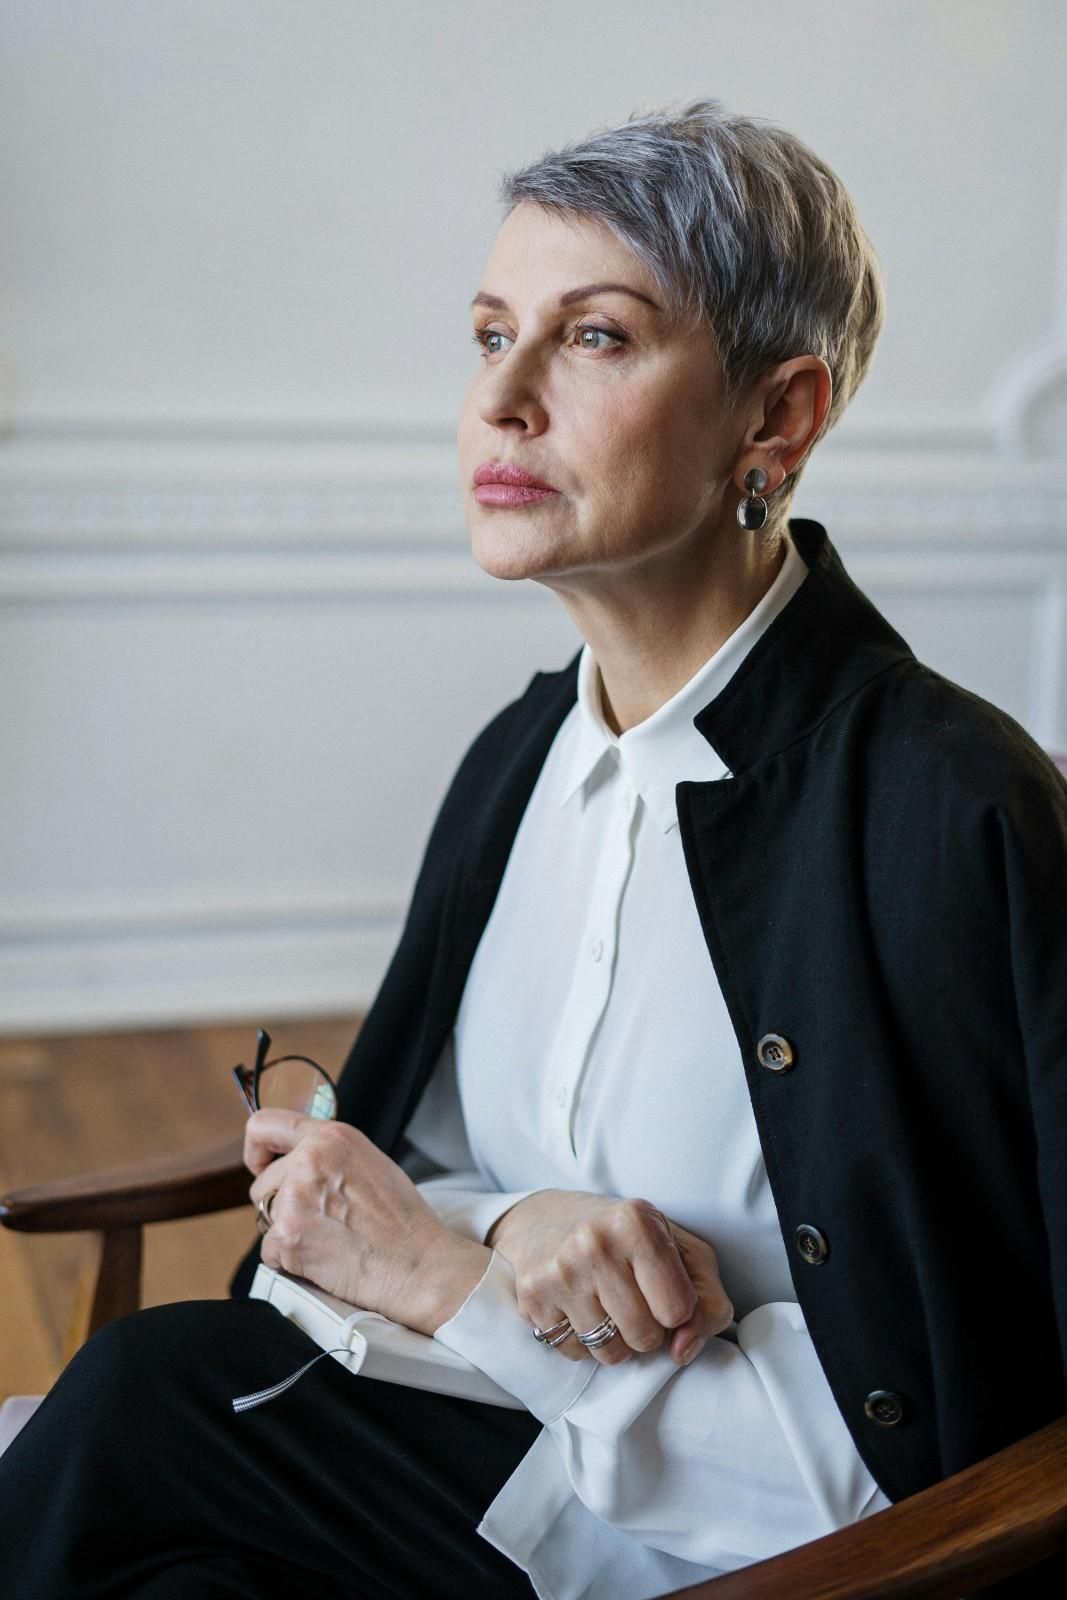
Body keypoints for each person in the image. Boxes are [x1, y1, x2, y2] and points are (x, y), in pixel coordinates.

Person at [1, 100, 1064, 1600]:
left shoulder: (948, 818)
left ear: (778, 419)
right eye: (492, 333)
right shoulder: (524, 756)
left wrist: (457, 1281)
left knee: (135, 1403)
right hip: (463, 1445)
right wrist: (513, 1224)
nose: (500, 399)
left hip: (731, 1557)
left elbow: (933, 1460)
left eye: (596, 338)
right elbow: (433, 1158)